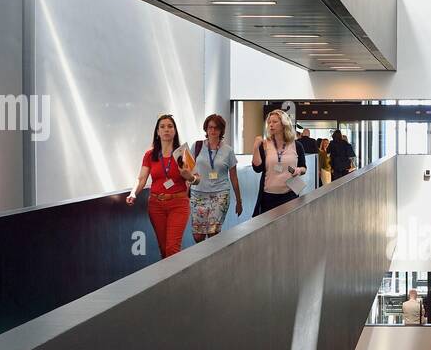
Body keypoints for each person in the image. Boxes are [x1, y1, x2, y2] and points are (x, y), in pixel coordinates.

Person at [126, 114, 191, 257]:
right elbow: (142, 178)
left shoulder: (183, 153)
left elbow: (197, 178)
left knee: (172, 249)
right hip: (156, 205)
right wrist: (133, 193)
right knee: (163, 249)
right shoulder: (150, 155)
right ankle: (168, 279)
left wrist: (189, 176)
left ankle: (176, 279)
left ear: (175, 131)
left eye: (170, 126)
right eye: (162, 127)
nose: (166, 130)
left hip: (178, 203)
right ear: (157, 132)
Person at [186, 113, 242, 243]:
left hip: (220, 194)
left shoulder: (228, 150)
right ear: (206, 129)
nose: (213, 131)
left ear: (221, 130)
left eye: (216, 128)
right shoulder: (197, 146)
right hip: (198, 194)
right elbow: (189, 170)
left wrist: (239, 201)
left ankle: (213, 261)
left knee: (213, 232)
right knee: (198, 236)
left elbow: (234, 178)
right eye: (210, 127)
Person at [251, 109, 307, 215]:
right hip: (268, 196)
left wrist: (299, 170)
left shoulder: (297, 145)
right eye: (269, 123)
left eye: (275, 122)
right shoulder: (265, 144)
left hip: (289, 194)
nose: (271, 125)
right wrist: (255, 148)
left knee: (288, 228)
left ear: (284, 124)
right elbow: (257, 169)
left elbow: (304, 167)